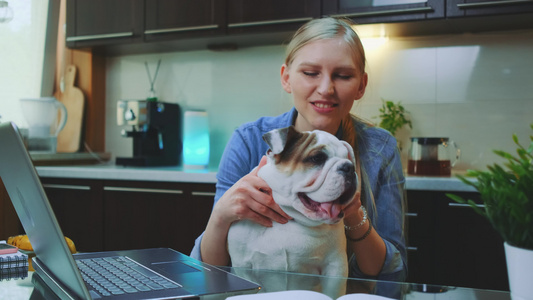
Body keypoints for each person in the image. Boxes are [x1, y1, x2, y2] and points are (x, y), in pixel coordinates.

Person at [190, 17, 407, 281]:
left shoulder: (379, 149)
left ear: (361, 85)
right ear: (286, 78)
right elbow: (208, 272)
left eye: (343, 75)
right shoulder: (250, 140)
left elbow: (389, 271)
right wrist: (222, 215)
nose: (326, 88)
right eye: (310, 73)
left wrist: (352, 213)